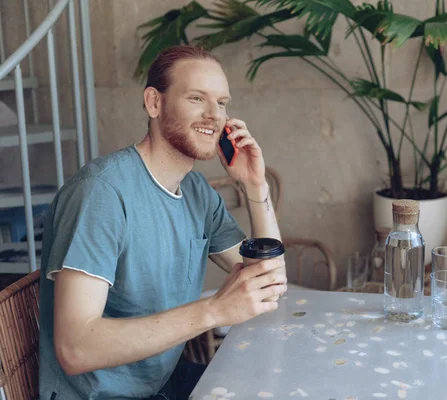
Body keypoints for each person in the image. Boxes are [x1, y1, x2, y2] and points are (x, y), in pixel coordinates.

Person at [38, 45, 287, 399]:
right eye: (197, 98)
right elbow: (76, 349)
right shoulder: (101, 194)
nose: (214, 115)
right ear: (154, 103)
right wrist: (214, 310)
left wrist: (254, 185)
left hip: (162, 384)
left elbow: (272, 284)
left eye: (222, 102)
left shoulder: (197, 191)